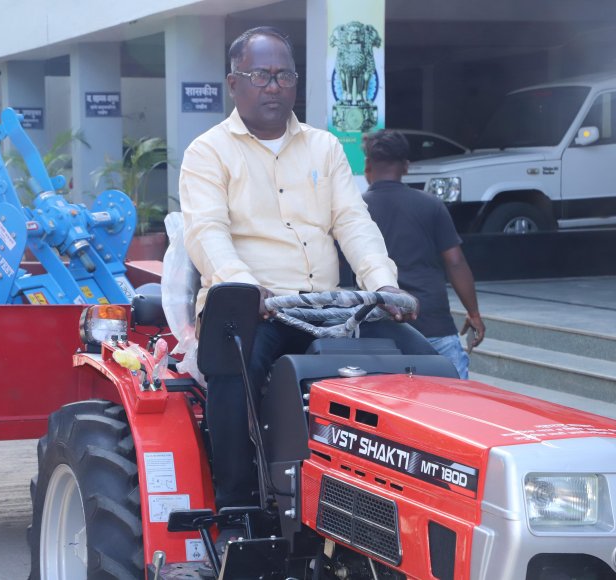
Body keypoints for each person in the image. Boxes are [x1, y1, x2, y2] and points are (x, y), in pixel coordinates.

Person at [179, 27, 432, 510]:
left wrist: (383, 285)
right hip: (254, 309)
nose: (273, 86)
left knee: (425, 362)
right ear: (234, 83)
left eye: (284, 76)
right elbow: (206, 231)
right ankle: (236, 504)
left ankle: (405, 494)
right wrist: (243, 286)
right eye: (260, 75)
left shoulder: (325, 147)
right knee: (233, 369)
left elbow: (353, 223)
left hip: (331, 309)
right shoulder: (207, 151)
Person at [362, 129, 486, 379]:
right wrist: (474, 314)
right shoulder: (431, 205)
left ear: (367, 167)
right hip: (434, 324)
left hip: (379, 330)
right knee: (453, 398)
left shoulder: (356, 210)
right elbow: (455, 261)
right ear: (406, 167)